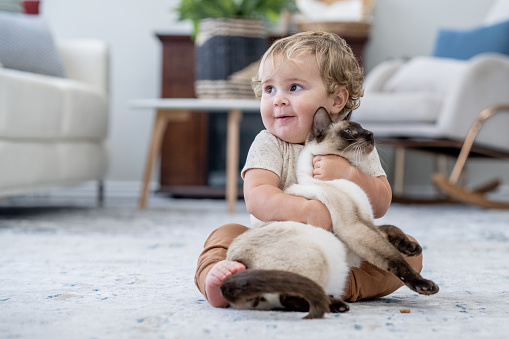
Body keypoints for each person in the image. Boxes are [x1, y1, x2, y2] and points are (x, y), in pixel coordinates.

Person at [194, 31, 423, 308]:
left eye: (293, 88)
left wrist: (350, 175)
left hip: (341, 249)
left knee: (408, 250)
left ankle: (336, 285)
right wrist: (307, 212)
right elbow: (257, 195)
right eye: (269, 89)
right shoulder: (269, 143)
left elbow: (381, 202)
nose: (277, 99)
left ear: (337, 100)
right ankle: (220, 281)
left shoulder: (354, 145)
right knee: (226, 234)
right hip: (272, 246)